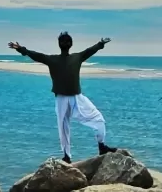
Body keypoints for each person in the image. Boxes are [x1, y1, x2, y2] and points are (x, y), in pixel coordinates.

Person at [9, 32, 119, 163]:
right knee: (95, 120)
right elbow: (90, 51)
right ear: (71, 45)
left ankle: (72, 155)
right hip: (73, 97)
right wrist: (101, 44)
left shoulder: (54, 59)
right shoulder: (76, 57)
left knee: (65, 126)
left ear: (59, 45)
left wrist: (21, 49)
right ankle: (95, 147)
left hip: (68, 97)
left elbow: (36, 56)